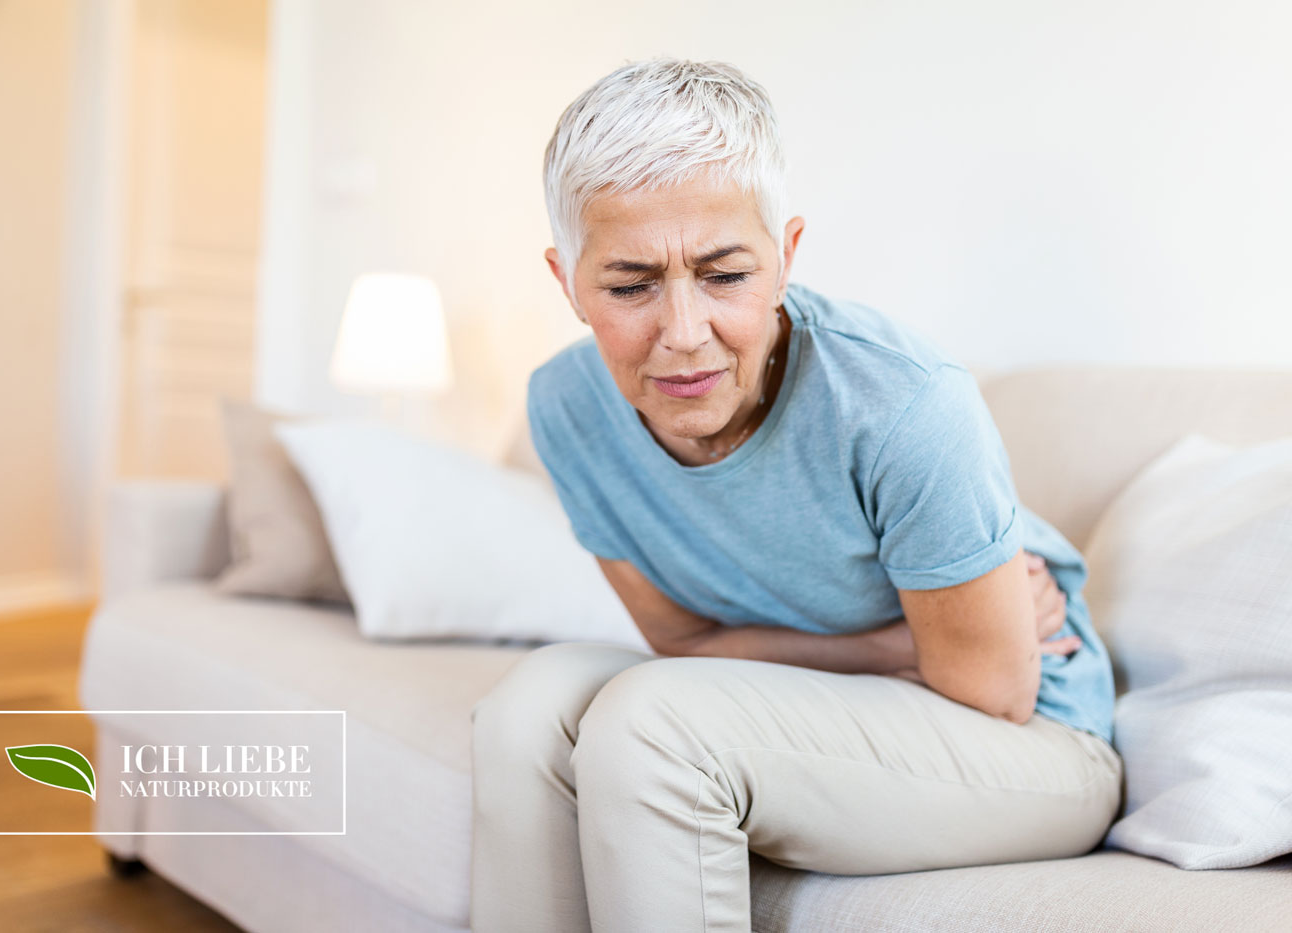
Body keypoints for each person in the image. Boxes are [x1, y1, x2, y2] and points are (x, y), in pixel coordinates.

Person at [470, 58, 1121, 933]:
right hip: (884, 686)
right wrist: (900, 642)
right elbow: (681, 641)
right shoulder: (565, 407)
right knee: (526, 708)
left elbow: (994, 686)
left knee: (656, 724)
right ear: (567, 281)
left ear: (786, 258)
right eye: (630, 285)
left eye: (726, 274)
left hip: (1035, 738)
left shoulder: (901, 400)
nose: (684, 335)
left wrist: (905, 653)